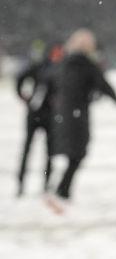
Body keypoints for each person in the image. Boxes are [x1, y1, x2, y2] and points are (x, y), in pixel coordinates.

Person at [51, 28, 116, 202]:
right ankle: (63, 189)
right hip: (77, 113)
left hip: (64, 112)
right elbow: (101, 83)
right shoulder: (86, 64)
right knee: (78, 152)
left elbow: (54, 83)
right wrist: (114, 97)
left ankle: (61, 187)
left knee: (70, 151)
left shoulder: (65, 63)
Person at [14, 41, 63, 196]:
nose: (58, 55)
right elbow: (20, 78)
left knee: (50, 152)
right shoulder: (40, 66)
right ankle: (21, 184)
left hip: (50, 116)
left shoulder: (61, 68)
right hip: (34, 114)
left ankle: (46, 185)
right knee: (28, 149)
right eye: (56, 52)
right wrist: (23, 96)